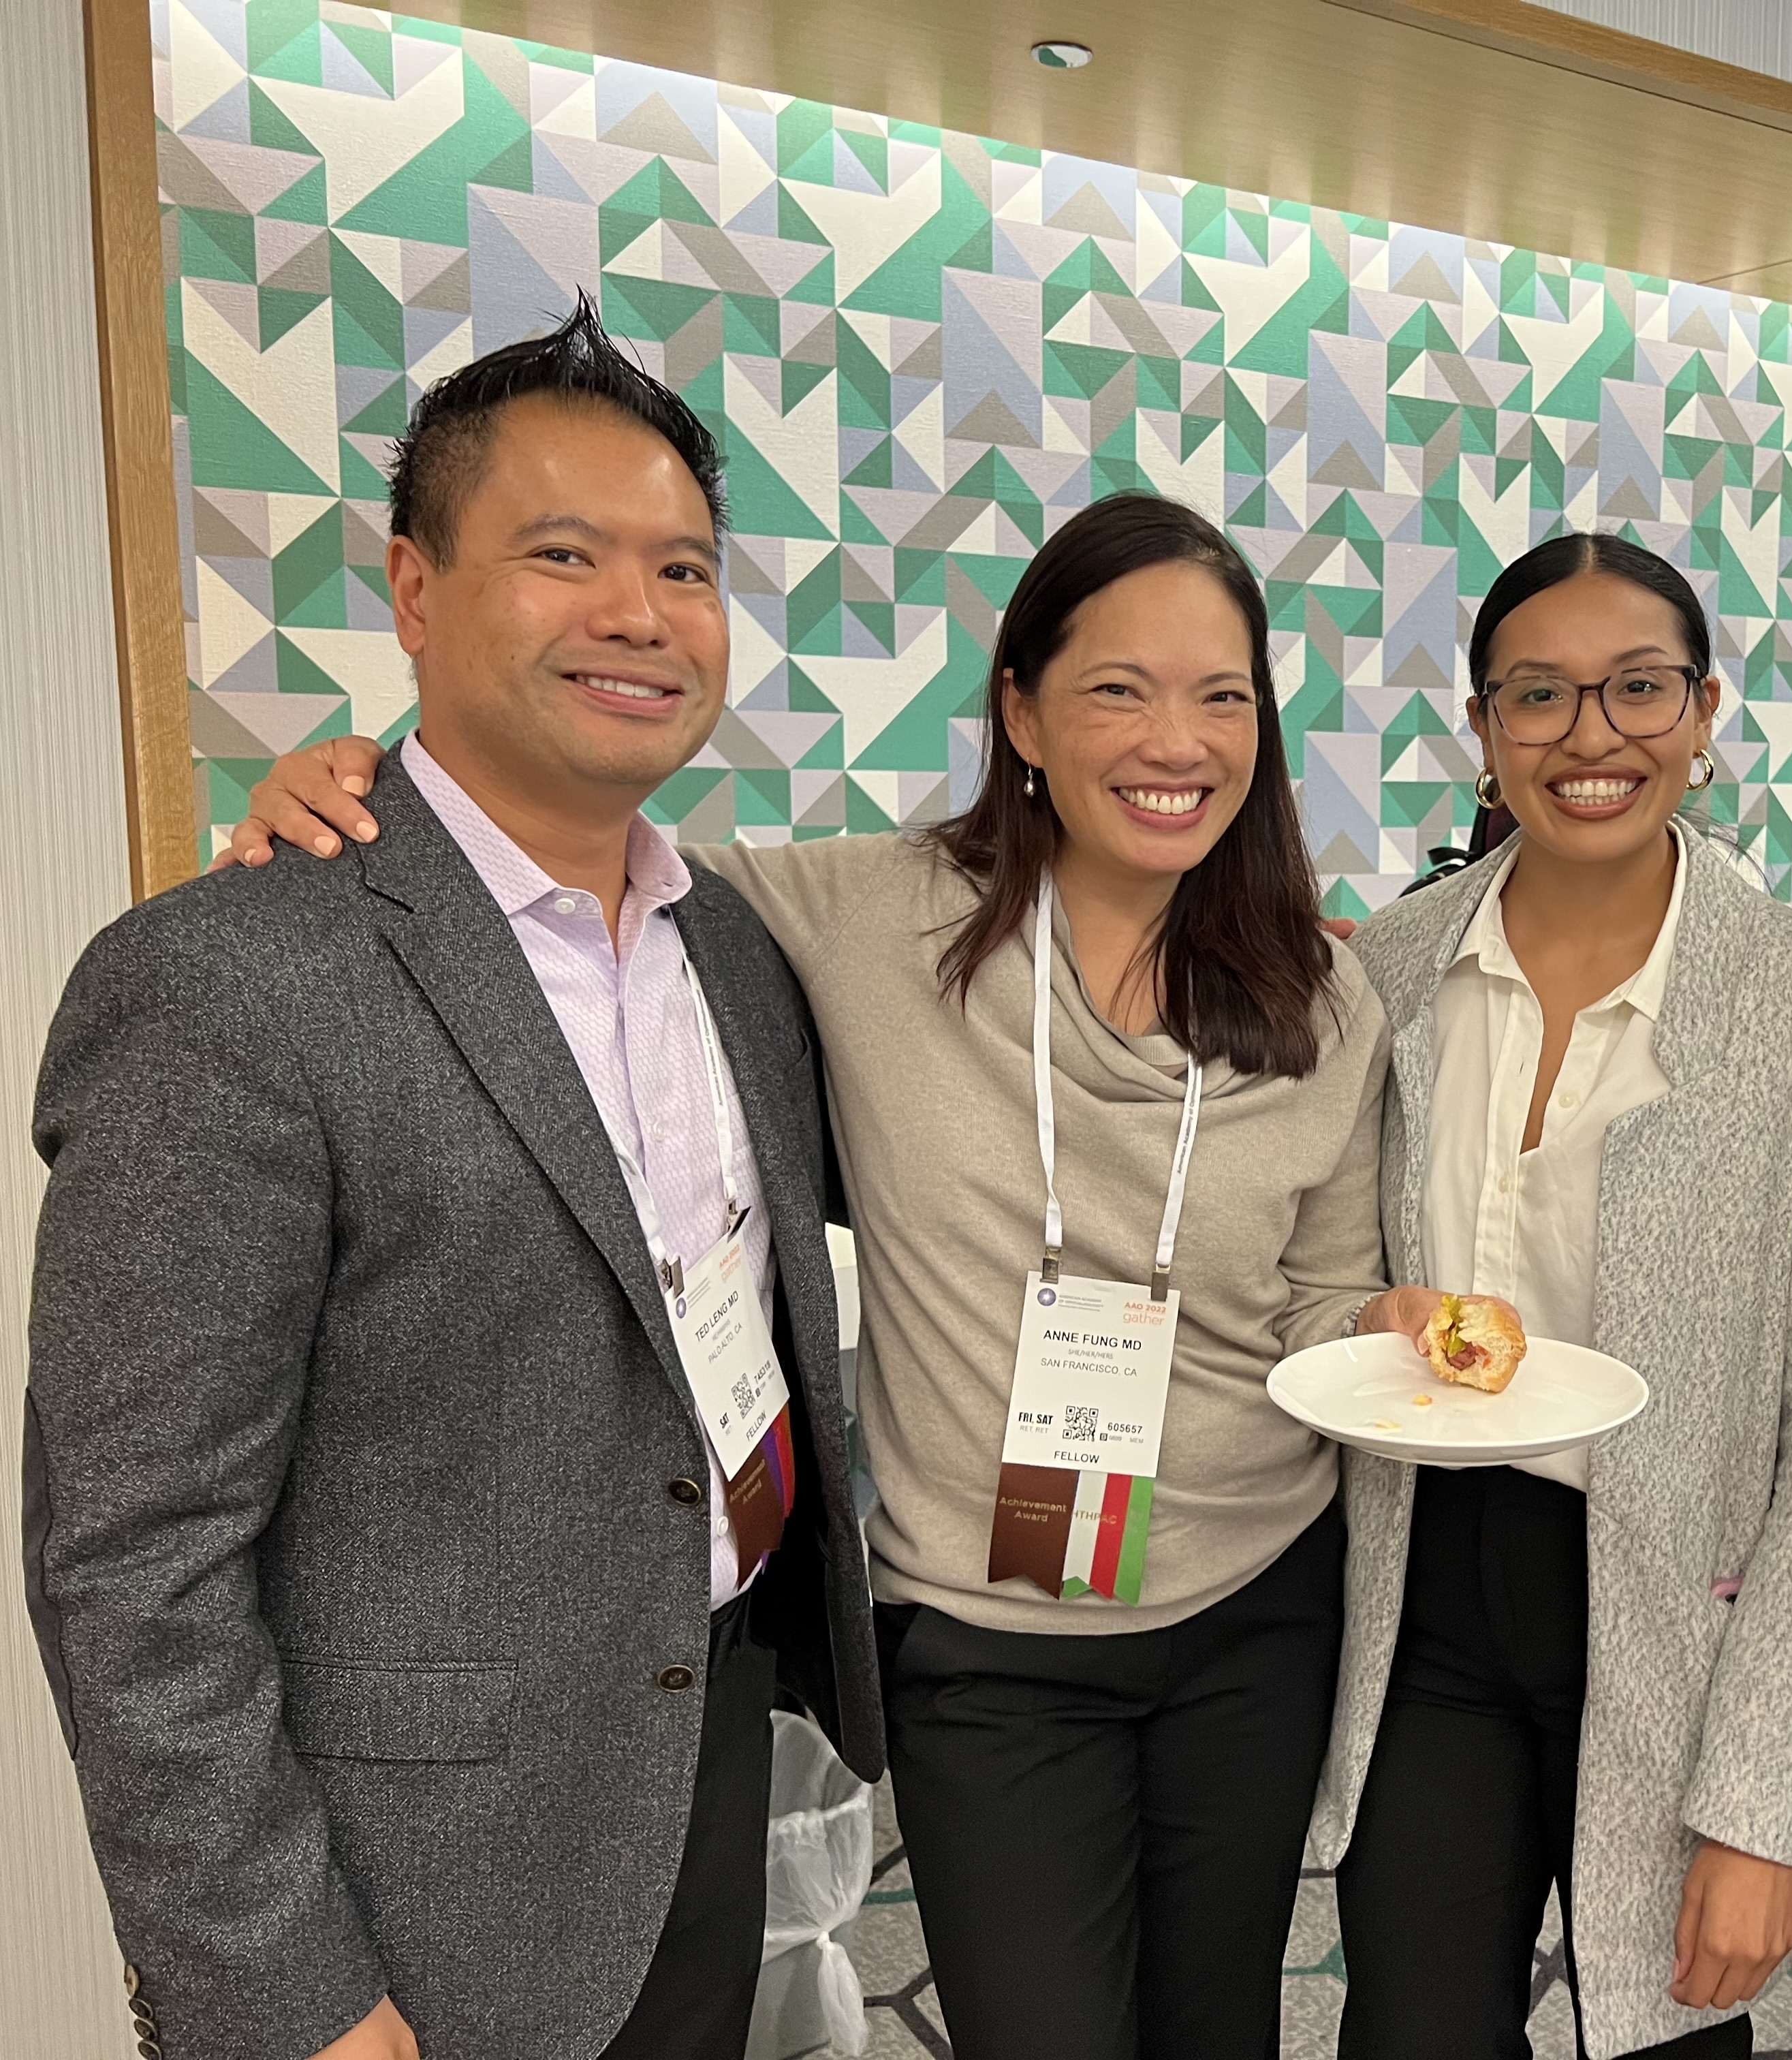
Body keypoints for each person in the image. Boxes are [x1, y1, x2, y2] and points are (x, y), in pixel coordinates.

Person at [219, 490, 1463, 2060]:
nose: (1177, 741)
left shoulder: (1319, 990)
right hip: (988, 1639)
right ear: (1023, 713)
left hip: (1258, 1609)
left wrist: (1382, 1319)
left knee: (1217, 2027)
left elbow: (1319, 1298)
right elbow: (566, 881)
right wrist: (359, 789)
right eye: (1118, 688)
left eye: (1224, 697)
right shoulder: (865, 914)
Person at [25, 301, 884, 2060]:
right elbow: (131, 1564)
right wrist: (288, 1990)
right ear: (414, 591)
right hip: (410, 1890)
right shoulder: (229, 980)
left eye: (685, 568)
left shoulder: (738, 957)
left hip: (700, 1756)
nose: (639, 612)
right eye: (563, 555)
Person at [1319, 532, 1792, 2060]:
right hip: (1427, 1593)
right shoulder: (1389, 972)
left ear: (1704, 713)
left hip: (1682, 1608)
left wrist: (1770, 1803)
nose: (1593, 736)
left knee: (1665, 2035)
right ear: (1482, 729)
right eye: (1539, 694)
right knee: (1411, 2029)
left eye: (1640, 687)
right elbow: (1315, 1274)